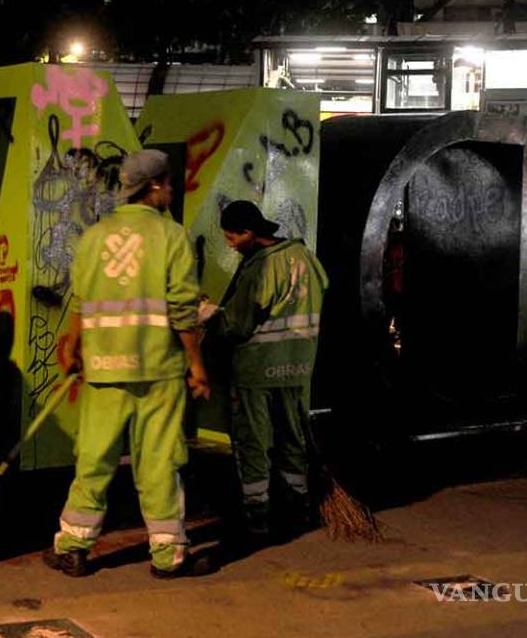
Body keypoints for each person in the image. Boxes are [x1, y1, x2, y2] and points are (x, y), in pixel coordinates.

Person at [45, 149, 213, 579]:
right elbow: (181, 308)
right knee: (159, 460)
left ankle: (73, 547)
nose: (172, 191)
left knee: (94, 457)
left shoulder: (95, 236)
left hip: (103, 369)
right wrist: (196, 362)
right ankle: (168, 554)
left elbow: (80, 299)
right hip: (158, 370)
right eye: (170, 184)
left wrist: (72, 344)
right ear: (154, 186)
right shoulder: (172, 237)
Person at [200, 200, 329, 538]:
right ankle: (297, 508)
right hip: (298, 366)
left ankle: (257, 515)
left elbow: (238, 325)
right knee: (293, 438)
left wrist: (208, 313)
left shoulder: (260, 267)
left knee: (253, 442)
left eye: (231, 237)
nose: (230, 244)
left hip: (257, 370)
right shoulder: (305, 258)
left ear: (249, 233)